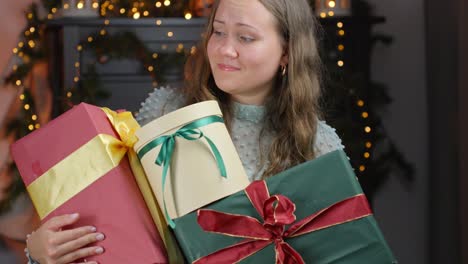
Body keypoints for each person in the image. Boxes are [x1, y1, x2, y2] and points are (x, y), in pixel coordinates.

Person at [25, 0, 344, 263]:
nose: (224, 50)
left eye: (245, 37)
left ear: (287, 52)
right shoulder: (165, 111)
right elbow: (117, 224)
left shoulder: (319, 144)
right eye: (218, 32)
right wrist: (39, 252)